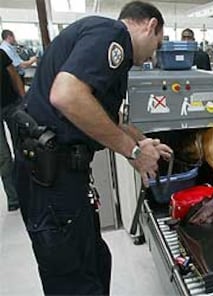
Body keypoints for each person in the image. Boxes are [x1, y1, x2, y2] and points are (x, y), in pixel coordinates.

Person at [14, 1, 172, 295]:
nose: (154, 53)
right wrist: (134, 153)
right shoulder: (112, 34)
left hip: (61, 178)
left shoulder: (103, 42)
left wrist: (140, 140)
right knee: (76, 281)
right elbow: (67, 95)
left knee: (97, 262)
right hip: (51, 180)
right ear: (150, 25)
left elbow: (103, 118)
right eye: (158, 43)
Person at [1, 48, 25, 211]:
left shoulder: (1, 54)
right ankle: (13, 198)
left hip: (11, 105)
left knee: (22, 147)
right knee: (3, 156)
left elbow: (14, 75)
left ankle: (27, 189)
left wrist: (24, 98)